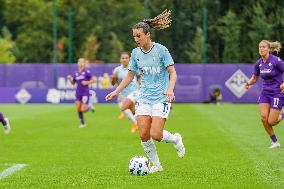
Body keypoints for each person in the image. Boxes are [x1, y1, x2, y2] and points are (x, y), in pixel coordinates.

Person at [106, 10, 185, 173]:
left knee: (156, 134)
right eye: (134, 37)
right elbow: (129, 76)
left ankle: (176, 138)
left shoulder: (161, 50)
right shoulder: (135, 53)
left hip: (161, 98)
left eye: (138, 36)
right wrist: (116, 91)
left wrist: (170, 89)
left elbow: (173, 73)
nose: (136, 40)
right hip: (144, 97)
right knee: (143, 134)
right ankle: (157, 165)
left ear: (147, 35)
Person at [245, 40, 284, 148]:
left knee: (271, 121)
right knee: (263, 118)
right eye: (260, 47)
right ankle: (275, 142)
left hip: (277, 93)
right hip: (265, 92)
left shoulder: (276, 60)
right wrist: (248, 83)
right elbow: (254, 78)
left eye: (264, 47)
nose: (261, 49)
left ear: (269, 49)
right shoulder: (258, 63)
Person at [111, 52, 139, 133]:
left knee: (125, 107)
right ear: (120, 60)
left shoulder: (133, 67)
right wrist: (113, 78)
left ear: (129, 59)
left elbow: (139, 76)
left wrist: (141, 85)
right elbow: (113, 83)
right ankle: (137, 123)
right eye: (123, 58)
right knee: (128, 110)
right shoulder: (117, 70)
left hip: (133, 92)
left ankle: (138, 123)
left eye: (126, 58)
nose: (124, 59)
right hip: (122, 94)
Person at [67, 58, 96, 128]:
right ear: (77, 63)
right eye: (79, 62)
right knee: (78, 108)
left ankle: (89, 106)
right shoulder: (76, 73)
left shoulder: (86, 72)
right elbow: (73, 83)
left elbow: (94, 80)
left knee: (83, 109)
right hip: (78, 92)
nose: (80, 63)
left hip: (85, 92)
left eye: (82, 62)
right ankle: (83, 124)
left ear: (84, 64)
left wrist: (87, 82)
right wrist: (70, 79)